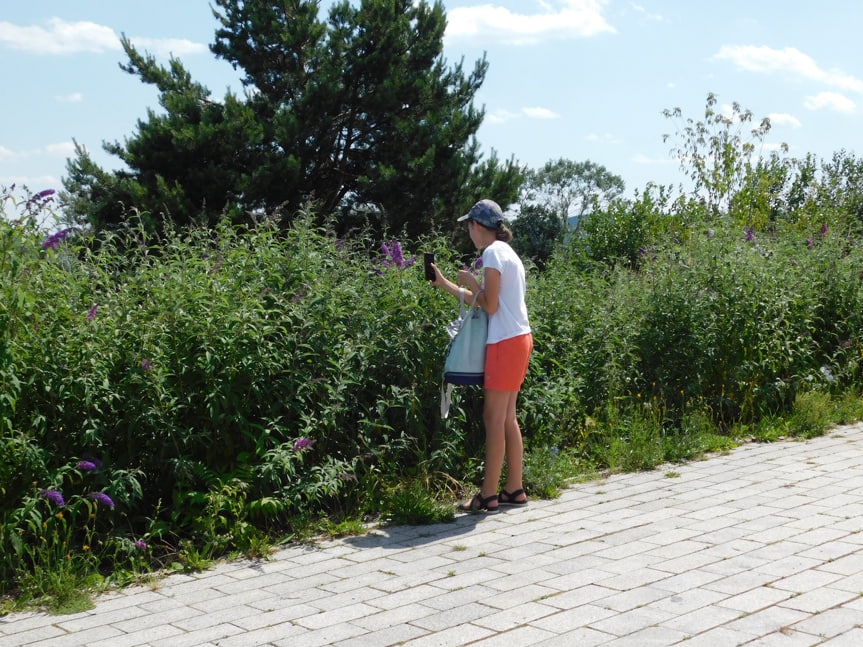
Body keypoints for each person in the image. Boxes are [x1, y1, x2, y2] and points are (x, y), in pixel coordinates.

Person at [429, 199, 533, 513]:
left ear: (477, 226)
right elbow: (484, 300)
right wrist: (444, 282)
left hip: (505, 342)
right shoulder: (507, 253)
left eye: (468, 227)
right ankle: (514, 489)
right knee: (507, 418)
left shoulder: (492, 253)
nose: (468, 233)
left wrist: (474, 281)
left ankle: (487, 495)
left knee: (493, 417)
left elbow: (490, 305)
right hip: (519, 338)